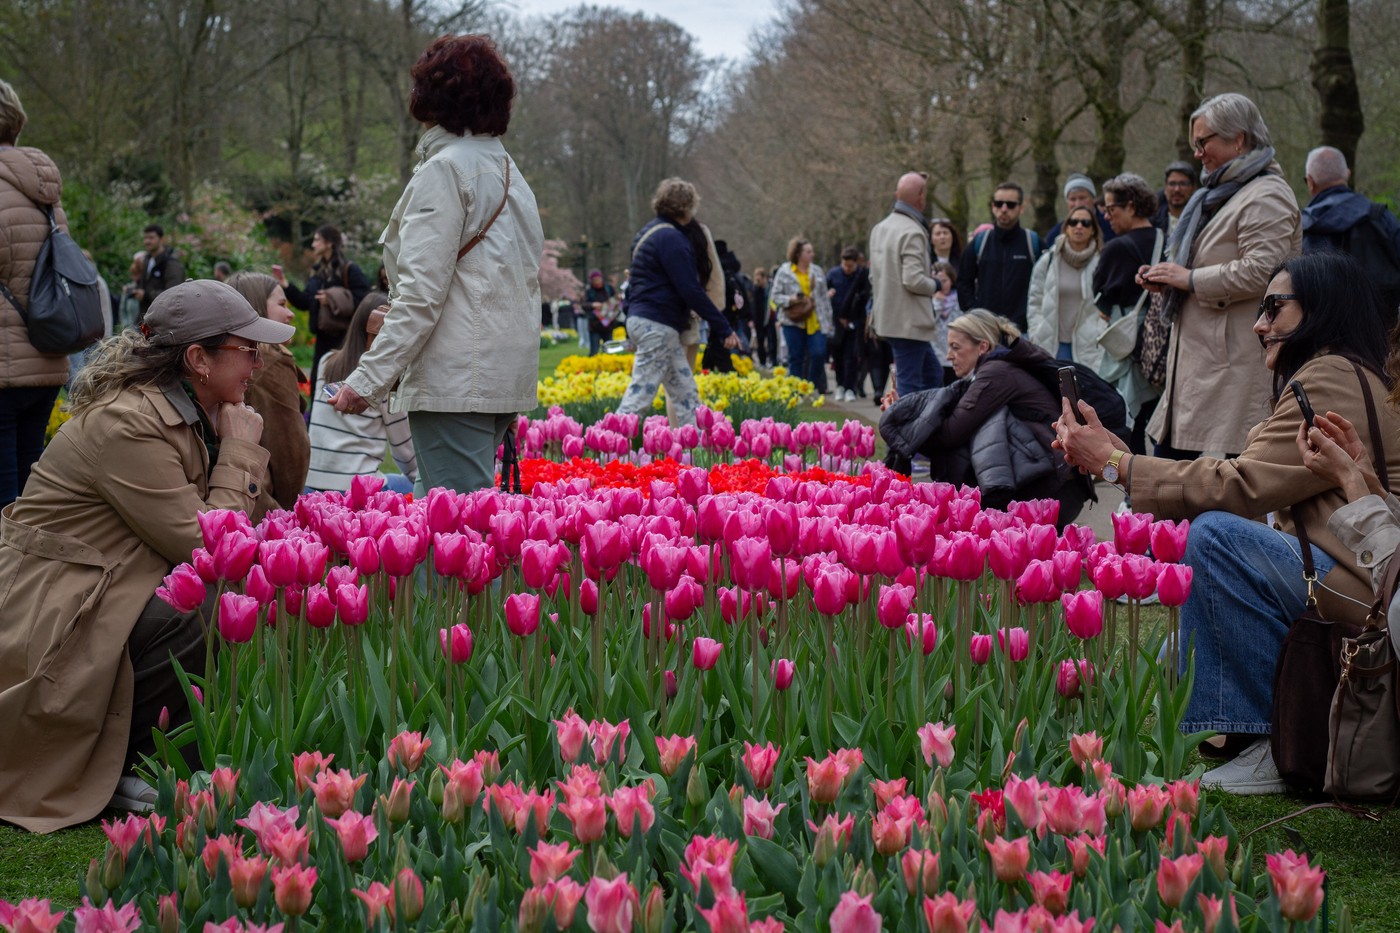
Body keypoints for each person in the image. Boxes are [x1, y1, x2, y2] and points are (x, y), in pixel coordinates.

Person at [1055, 251, 1400, 793]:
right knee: (1175, 649)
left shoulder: (1332, 375)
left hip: (1373, 589)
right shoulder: (1343, 373)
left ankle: (1270, 744)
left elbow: (1240, 486)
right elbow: (1252, 479)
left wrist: (1120, 465)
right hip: (1359, 574)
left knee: (1217, 539)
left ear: (1321, 311)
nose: (1259, 324)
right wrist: (1118, 459)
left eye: (1274, 307)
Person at [0, 279, 291, 831]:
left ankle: (163, 747)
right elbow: (210, 548)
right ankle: (125, 761)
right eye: (248, 349)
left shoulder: (190, 411)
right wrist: (239, 452)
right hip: (53, 617)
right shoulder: (128, 423)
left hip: (102, 589)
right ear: (198, 359)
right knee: (202, 603)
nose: (259, 362)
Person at [330, 34, 543, 495]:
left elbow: (420, 296)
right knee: (453, 512)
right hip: (496, 375)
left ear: (432, 96)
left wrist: (366, 380)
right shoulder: (510, 173)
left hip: (456, 379)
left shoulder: (446, 171)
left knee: (452, 525)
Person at [1139, 92, 1300, 460]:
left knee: (1221, 476)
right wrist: (1168, 278)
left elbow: (1266, 271)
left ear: (1238, 139)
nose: (1197, 154)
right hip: (1204, 365)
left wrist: (1190, 279)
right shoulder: (1220, 194)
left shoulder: (1266, 195)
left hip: (1233, 365)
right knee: (1171, 473)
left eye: (1203, 142)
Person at [882, 309, 1090, 526]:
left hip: (1051, 490)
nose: (948, 356)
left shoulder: (995, 374)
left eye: (956, 347)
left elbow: (951, 434)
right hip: (1048, 484)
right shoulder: (995, 369)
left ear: (982, 347)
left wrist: (902, 422)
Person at [0, 79, 71, 511]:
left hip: (5, 365)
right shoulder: (44, 190)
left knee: (4, 492)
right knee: (28, 483)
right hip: (47, 352)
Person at [613, 178, 737, 426]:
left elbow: (634, 284)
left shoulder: (646, 234)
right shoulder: (672, 239)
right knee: (638, 398)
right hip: (658, 325)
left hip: (644, 320)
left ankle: (695, 444)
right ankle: (605, 444)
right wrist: (723, 326)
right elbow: (690, 290)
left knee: (685, 395)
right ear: (687, 207)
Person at [308, 293, 417, 494]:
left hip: (311, 484)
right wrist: (421, 482)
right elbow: (405, 452)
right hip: (357, 489)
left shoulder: (326, 362)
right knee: (411, 487)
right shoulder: (382, 378)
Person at [226, 270, 309, 510]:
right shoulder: (270, 361)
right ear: (257, 309)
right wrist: (286, 513)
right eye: (282, 305)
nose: (290, 313)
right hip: (262, 502)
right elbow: (290, 452)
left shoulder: (230, 358)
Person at [1095, 173, 1163, 455]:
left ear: (1131, 207)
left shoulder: (1115, 248)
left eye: (1111, 209)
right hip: (1161, 345)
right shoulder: (1165, 239)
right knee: (1160, 421)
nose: (1106, 216)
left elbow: (1100, 298)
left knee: (1130, 421)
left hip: (1129, 346)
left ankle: (1135, 478)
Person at [1301, 145, 1400, 325]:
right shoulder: (1380, 217)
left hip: (1325, 330)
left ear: (1310, 182)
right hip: (1384, 327)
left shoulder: (1303, 228)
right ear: (1347, 174)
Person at [869, 172, 944, 396]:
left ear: (897, 195)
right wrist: (936, 284)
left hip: (888, 318)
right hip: (909, 323)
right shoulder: (913, 231)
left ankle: (924, 416)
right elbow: (913, 280)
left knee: (932, 374)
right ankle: (908, 419)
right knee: (911, 383)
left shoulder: (880, 228)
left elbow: (873, 276)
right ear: (921, 196)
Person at [279, 224, 370, 398]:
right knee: (318, 385)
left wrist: (332, 298)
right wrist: (286, 285)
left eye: (317, 240)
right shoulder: (317, 272)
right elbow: (306, 302)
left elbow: (363, 300)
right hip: (322, 338)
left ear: (329, 243)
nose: (313, 244)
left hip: (344, 339)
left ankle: (336, 414)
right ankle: (318, 415)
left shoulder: (349, 270)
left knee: (338, 383)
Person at [957, 181, 1042, 331]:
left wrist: (1032, 318)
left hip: (1024, 331)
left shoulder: (1033, 243)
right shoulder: (980, 242)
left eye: (1010, 205)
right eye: (998, 204)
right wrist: (974, 314)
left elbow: (1046, 285)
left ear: (1021, 208)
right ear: (992, 206)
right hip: (986, 330)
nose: (1003, 209)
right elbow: (963, 281)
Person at [1027, 203, 1103, 369]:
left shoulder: (1101, 263)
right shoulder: (1048, 260)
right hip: (1051, 343)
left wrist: (1099, 333)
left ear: (1093, 230)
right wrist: (1036, 331)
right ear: (1066, 227)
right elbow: (1035, 300)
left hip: (1090, 346)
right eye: (1073, 222)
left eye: (1085, 223)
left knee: (1085, 386)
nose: (1079, 226)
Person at [770, 237, 834, 392]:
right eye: (808, 252)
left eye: (812, 251)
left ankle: (810, 386)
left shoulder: (817, 271)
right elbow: (775, 296)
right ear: (798, 254)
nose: (812, 254)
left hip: (816, 320)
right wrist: (791, 299)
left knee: (818, 354)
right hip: (792, 321)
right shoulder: (784, 272)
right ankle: (796, 391)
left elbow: (824, 299)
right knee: (796, 357)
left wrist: (829, 320)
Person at [827, 246, 866, 401]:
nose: (847, 269)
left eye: (850, 266)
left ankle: (850, 387)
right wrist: (828, 294)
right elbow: (823, 293)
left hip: (855, 321)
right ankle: (840, 385)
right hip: (836, 322)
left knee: (852, 356)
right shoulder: (833, 274)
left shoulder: (861, 275)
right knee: (837, 355)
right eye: (845, 265)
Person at [1045, 173, 1114, 246]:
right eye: (1073, 199)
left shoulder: (1111, 226)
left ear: (1094, 199)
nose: (1078, 204)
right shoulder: (1055, 235)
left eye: (1082, 198)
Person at [135, 224, 185, 320]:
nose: (147, 241)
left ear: (161, 239)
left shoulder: (171, 263)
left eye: (151, 238)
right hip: (145, 315)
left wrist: (146, 295)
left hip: (164, 318)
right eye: (145, 238)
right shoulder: (146, 260)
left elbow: (174, 292)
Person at [1152, 161, 1198, 235]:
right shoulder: (1152, 221)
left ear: (1194, 188)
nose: (1177, 189)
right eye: (1172, 184)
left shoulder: (1201, 220)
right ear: (1165, 188)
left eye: (1183, 184)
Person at [583, 268, 619, 356]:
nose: (597, 282)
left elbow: (616, 300)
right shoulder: (589, 291)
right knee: (594, 351)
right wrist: (592, 305)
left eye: (598, 279)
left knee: (609, 350)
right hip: (594, 325)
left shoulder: (608, 288)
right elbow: (584, 305)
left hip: (608, 324)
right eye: (594, 280)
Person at [750, 267, 776, 367]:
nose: (758, 281)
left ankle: (773, 360)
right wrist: (756, 287)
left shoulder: (771, 288)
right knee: (760, 341)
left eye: (759, 279)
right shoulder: (756, 289)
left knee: (772, 340)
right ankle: (762, 361)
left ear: (764, 277)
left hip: (770, 317)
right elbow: (754, 304)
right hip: (759, 320)